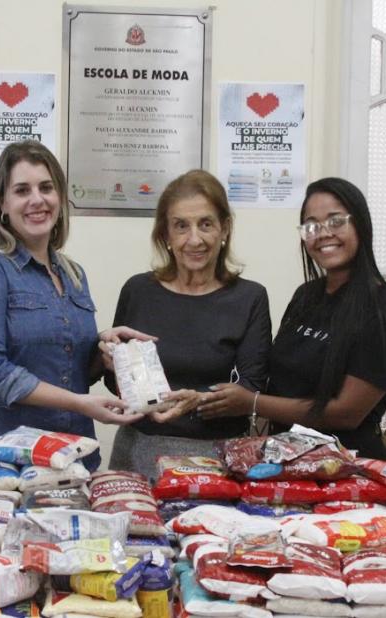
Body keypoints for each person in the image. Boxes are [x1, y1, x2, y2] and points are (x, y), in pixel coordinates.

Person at [0, 140, 143, 489]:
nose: (37, 200)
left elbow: (68, 370)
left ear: (60, 198)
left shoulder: (73, 274)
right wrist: (81, 404)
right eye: (22, 190)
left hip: (67, 462)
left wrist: (103, 354)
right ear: (2, 203)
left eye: (46, 188)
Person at [196, 177, 386, 460]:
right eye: (311, 225)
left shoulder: (385, 310)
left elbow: (346, 414)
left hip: (347, 468)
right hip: (286, 461)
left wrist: (252, 403)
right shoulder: (306, 296)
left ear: (360, 223)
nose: (323, 233)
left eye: (336, 221)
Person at [102, 169, 272, 480]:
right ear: (165, 235)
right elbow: (115, 384)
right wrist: (113, 363)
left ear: (225, 229)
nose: (194, 239)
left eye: (205, 224)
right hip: (138, 452)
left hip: (217, 459)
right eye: (181, 226)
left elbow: (252, 387)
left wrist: (200, 400)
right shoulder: (138, 290)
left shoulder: (250, 298)